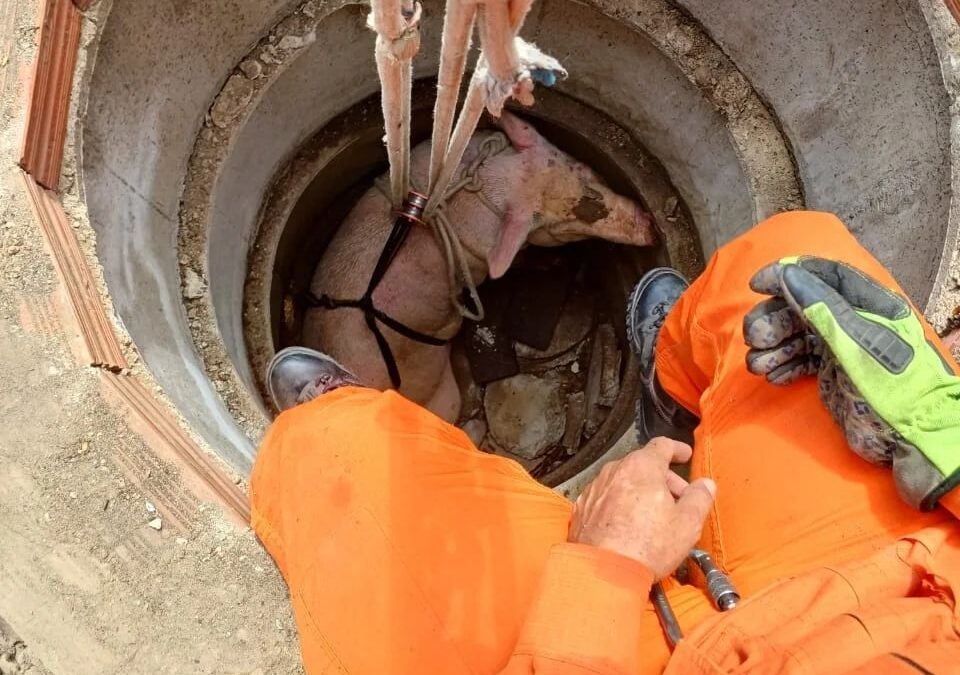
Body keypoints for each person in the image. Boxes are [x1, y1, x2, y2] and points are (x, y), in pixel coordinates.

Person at [250, 211, 960, 674]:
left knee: (331, 465)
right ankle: (672, 398)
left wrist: (603, 569)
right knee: (795, 257)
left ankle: (341, 420)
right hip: (903, 560)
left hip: (634, 658)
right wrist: (938, 430)